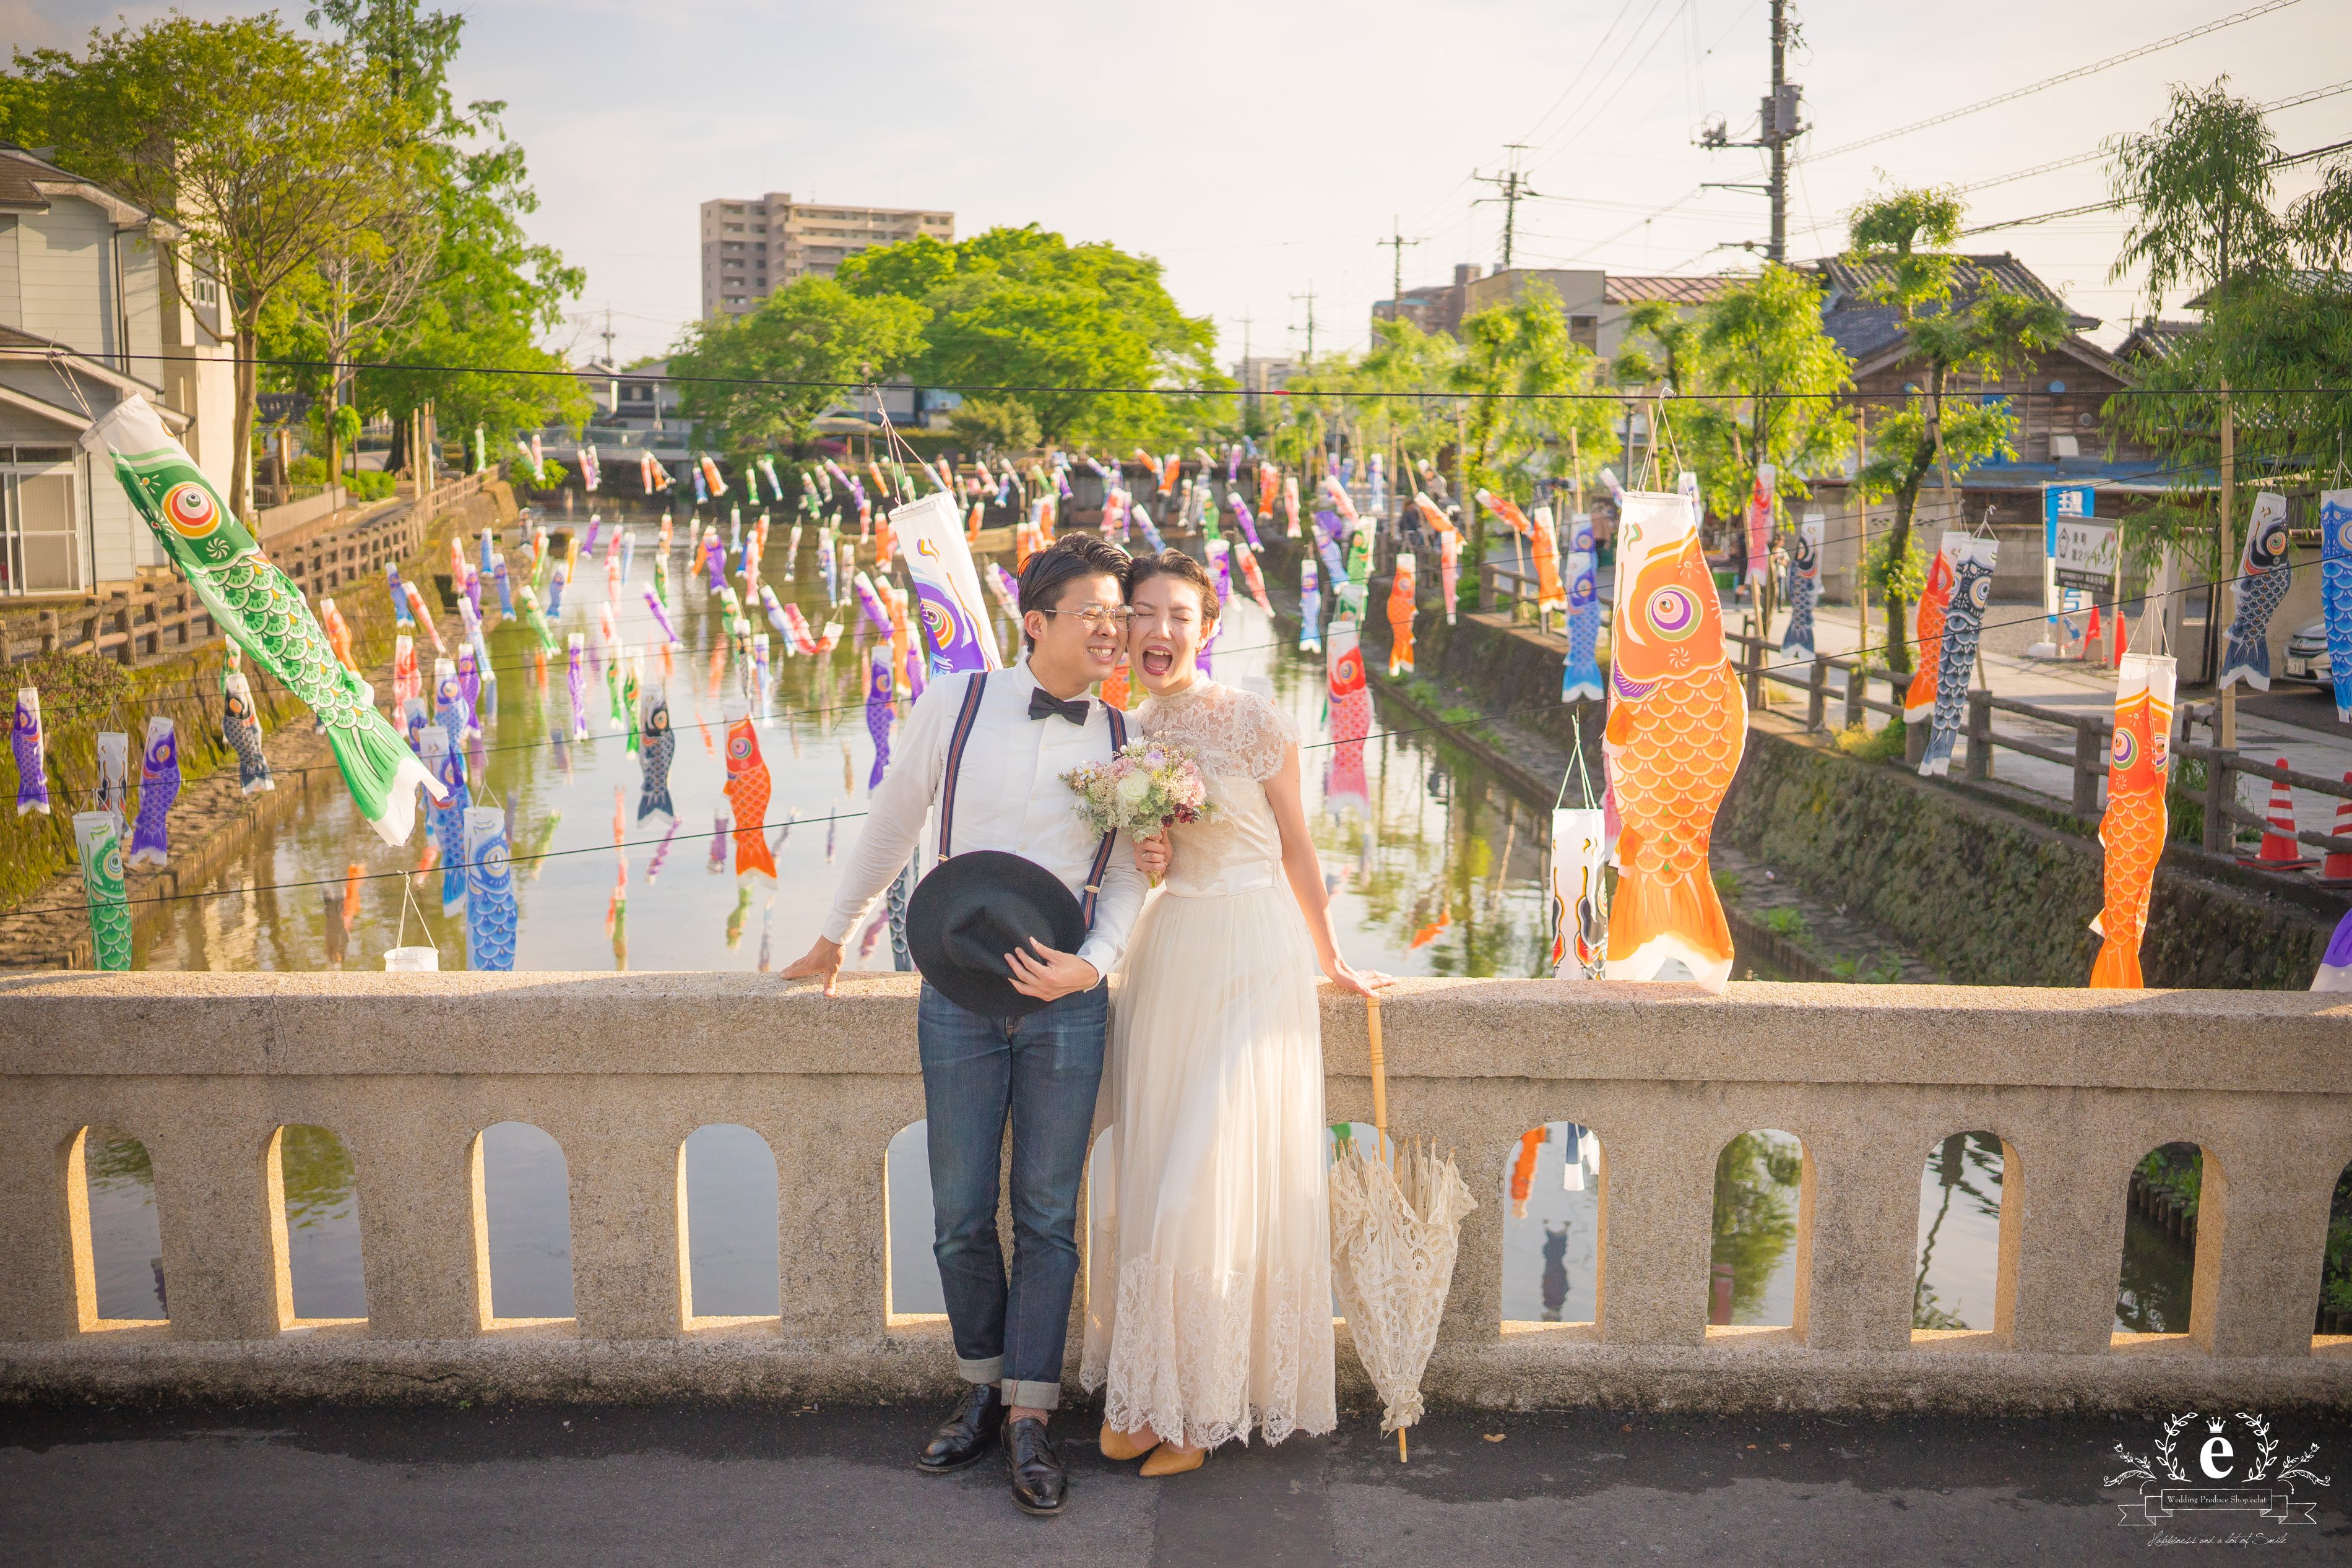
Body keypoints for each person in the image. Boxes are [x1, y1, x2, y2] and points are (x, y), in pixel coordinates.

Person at [780, 535, 1146, 1518]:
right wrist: (832, 936)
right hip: (957, 993)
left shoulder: (1128, 742)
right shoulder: (958, 701)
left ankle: (1033, 1412)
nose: (1115, 629)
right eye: (1095, 613)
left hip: (1067, 1005)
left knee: (1047, 1213)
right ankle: (981, 1385)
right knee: (956, 1212)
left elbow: (1138, 877)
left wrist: (1093, 965)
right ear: (1037, 621)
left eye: (1122, 614)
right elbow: (892, 822)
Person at [1081, 549, 1389, 1476]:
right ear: (1123, 629)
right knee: (1157, 1169)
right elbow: (1141, 865)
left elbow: (1299, 846)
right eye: (1142, 614)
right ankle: (1153, 1392)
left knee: (1201, 1180)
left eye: (1179, 615)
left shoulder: (1255, 720)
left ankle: (1196, 1410)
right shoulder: (1121, 736)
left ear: (1206, 628)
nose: (1159, 631)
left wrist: (1330, 956)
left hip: (1256, 953)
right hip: (1172, 958)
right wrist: (1147, 841)